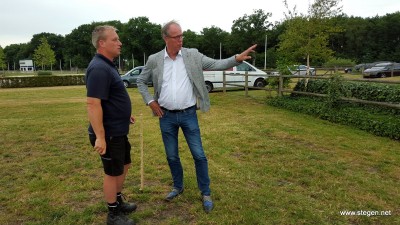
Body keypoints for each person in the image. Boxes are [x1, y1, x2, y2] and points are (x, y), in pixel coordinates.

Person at [136, 20, 257, 213]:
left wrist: (237, 58)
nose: (181, 40)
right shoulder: (155, 59)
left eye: (182, 36)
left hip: (188, 114)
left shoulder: (192, 55)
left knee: (199, 155)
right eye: (177, 37)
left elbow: (217, 64)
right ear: (166, 38)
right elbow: (141, 81)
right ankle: (178, 187)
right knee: (172, 155)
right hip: (165, 116)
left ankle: (205, 192)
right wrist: (150, 101)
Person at [85, 25, 137, 225]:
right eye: (115, 39)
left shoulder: (108, 65)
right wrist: (100, 136)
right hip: (108, 134)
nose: (119, 42)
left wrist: (124, 115)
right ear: (102, 43)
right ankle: (113, 214)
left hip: (118, 129)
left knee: (124, 165)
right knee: (112, 172)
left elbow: (110, 99)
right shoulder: (98, 67)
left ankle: (117, 200)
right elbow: (93, 103)